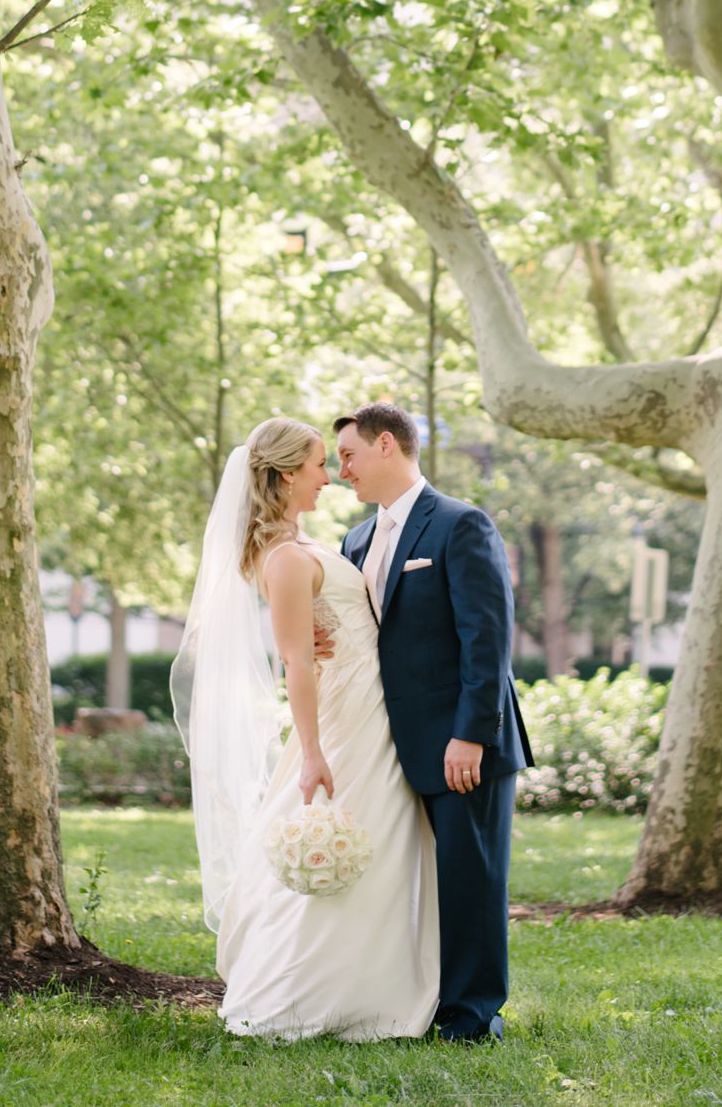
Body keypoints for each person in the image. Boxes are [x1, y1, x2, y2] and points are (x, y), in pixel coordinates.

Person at [170, 415, 438, 1040]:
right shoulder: (286, 559)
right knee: (361, 837)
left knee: (388, 843)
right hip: (349, 719)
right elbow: (296, 661)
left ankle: (383, 977)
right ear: (289, 473)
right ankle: (317, 990)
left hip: (374, 705)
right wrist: (313, 753)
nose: (331, 477)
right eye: (321, 464)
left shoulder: (313, 546)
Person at [335, 402, 531, 1044]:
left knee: (470, 881)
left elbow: (487, 639)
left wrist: (471, 733)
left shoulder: (460, 524)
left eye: (349, 456)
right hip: (386, 743)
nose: (342, 471)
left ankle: (473, 1017)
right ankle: (410, 1000)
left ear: (386, 444)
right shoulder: (356, 540)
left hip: (461, 742)